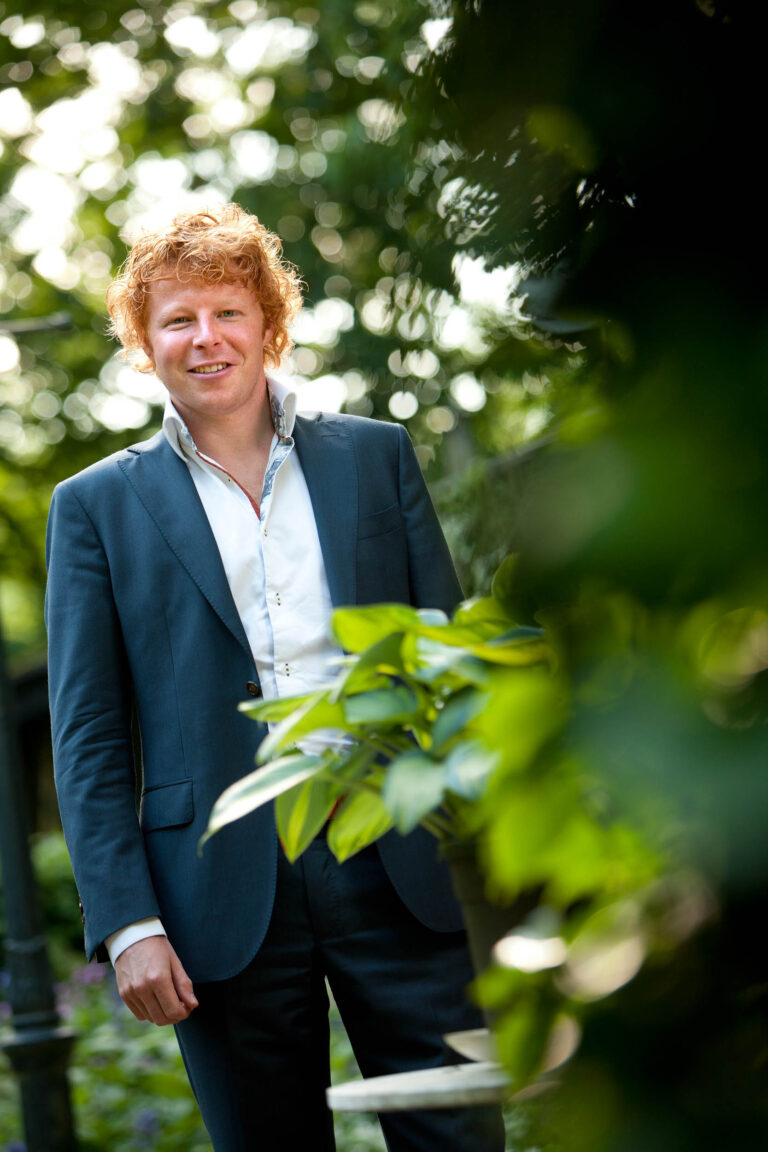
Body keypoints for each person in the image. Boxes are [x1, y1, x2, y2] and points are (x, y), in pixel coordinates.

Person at [45, 203, 504, 1151]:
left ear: (269, 324)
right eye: (176, 320)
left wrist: (485, 850)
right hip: (214, 892)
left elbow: (449, 666)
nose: (205, 339)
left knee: (460, 1136)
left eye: (227, 313)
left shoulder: (377, 457)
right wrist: (126, 922)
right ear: (146, 343)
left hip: (397, 857)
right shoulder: (94, 507)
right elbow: (87, 731)